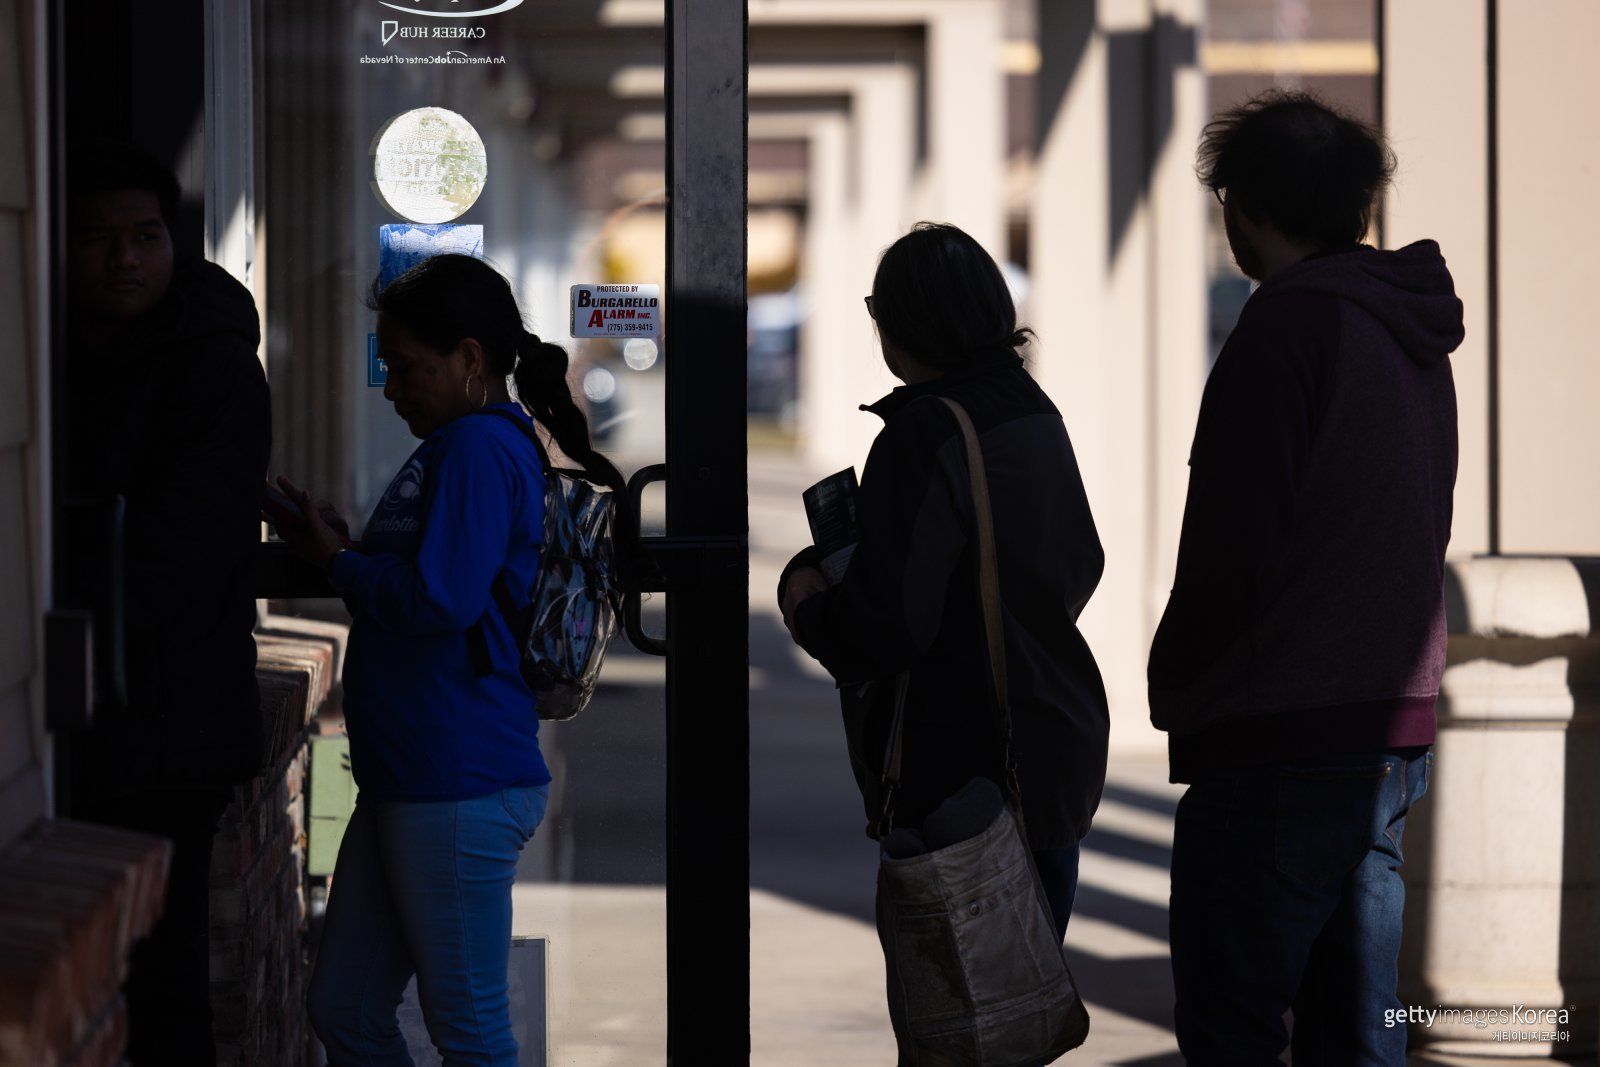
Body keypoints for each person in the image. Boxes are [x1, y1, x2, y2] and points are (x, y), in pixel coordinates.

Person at [1148, 90, 1463, 1067]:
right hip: (1385, 725)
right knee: (1359, 1026)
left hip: (1278, 731)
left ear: (1241, 209)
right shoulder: (1408, 330)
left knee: (1233, 1019)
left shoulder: (1284, 329)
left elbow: (1237, 547)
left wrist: (1176, 679)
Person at [282, 254, 621, 1065]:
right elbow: (436, 575)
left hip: (458, 779)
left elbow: (441, 600)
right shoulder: (462, 445)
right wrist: (341, 543)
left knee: (469, 1030)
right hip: (412, 777)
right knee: (345, 1008)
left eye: (405, 369)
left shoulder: (475, 446)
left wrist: (337, 564)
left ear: (470, 359)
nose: (392, 389)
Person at [778, 222, 1109, 1026]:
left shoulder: (929, 430)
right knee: (1016, 1019)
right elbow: (1082, 561)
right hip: (1047, 747)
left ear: (906, 323)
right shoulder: (1030, 407)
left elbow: (888, 626)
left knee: (959, 1032)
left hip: (963, 769)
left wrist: (809, 601)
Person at [61, 143, 271, 1065]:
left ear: (172, 246)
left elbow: (179, 553)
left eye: (144, 236)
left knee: (163, 981)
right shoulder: (61, 354)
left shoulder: (215, 367)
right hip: (78, 720)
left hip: (168, 724)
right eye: (100, 239)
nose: (123, 259)